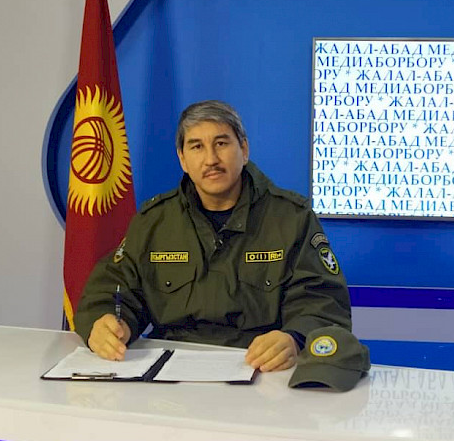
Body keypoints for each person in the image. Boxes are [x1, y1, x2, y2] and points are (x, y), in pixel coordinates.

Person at [74, 100, 351, 372]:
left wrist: (294, 338)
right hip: (171, 372)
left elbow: (321, 302)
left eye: (221, 143)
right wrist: (105, 322)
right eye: (197, 146)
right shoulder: (153, 222)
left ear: (244, 150)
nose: (211, 160)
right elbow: (113, 289)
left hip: (261, 368)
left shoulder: (291, 218)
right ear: (182, 159)